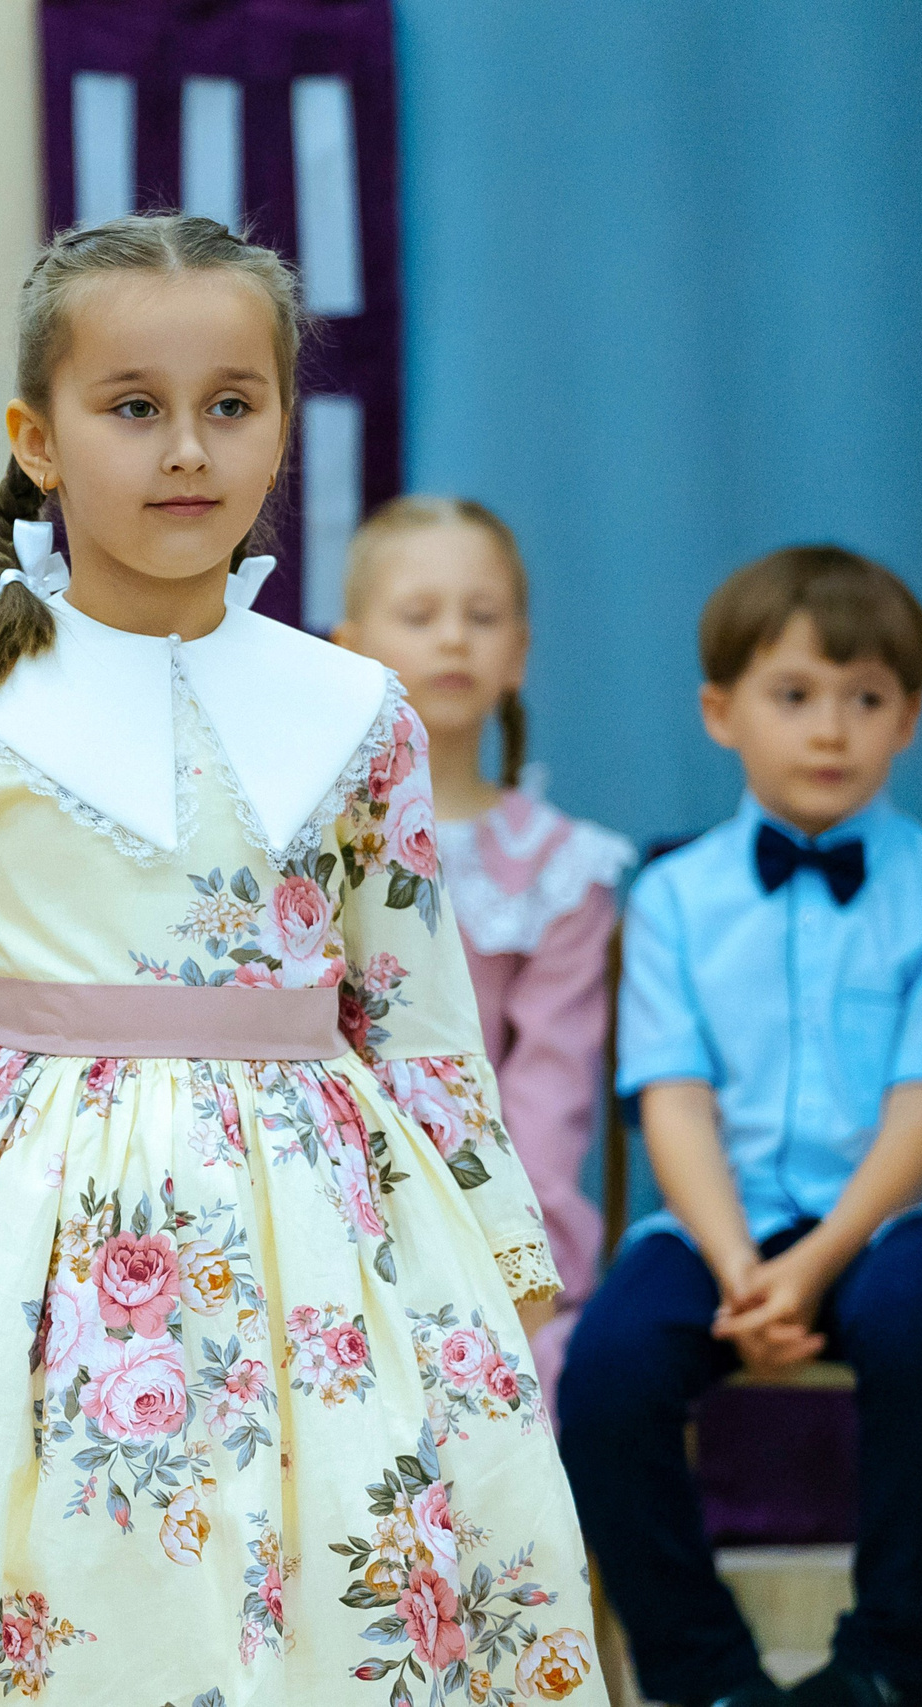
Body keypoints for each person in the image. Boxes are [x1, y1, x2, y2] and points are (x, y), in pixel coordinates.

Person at [0, 212, 599, 1707]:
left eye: (230, 405)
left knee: (320, 1585)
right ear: (37, 437)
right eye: (133, 407)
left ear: (278, 429)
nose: (186, 446)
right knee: (41, 1588)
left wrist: (488, 1273)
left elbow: (417, 1013)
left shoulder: (357, 707)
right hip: (23, 1246)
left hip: (322, 1235)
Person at [559, 546, 922, 1707]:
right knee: (604, 1370)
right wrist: (737, 1266)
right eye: (794, 695)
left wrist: (811, 1266)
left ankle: (885, 1660)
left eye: (865, 700)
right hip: (724, 1221)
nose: (830, 731)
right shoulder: (669, 900)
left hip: (903, 1217)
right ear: (721, 712)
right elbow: (675, 1102)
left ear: (907, 719)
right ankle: (703, 1671)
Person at [335, 496, 632, 1378]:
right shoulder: (305, 840)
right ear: (349, 649)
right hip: (334, 1205)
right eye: (420, 615)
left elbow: (552, 1078)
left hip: (491, 1219)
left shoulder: (557, 868)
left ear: (520, 652)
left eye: (483, 615)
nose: (454, 638)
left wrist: (508, 1244)